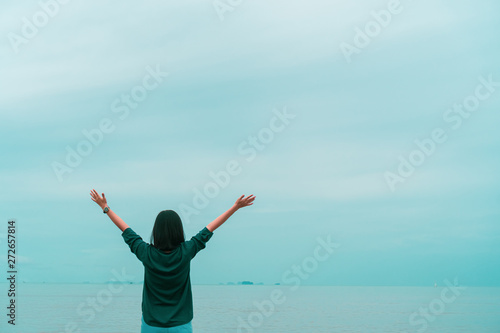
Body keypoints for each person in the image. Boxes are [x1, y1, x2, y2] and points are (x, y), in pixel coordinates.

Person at [90, 189, 256, 333]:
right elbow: (210, 228)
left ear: (156, 231)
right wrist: (235, 207)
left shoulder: (146, 253)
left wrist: (105, 208)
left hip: (151, 324)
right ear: (179, 230)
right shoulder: (186, 251)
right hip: (181, 325)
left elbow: (126, 229)